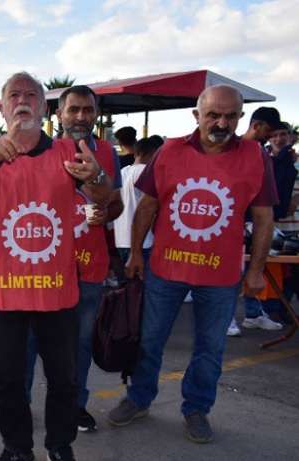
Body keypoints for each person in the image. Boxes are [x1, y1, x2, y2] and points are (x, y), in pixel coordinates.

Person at [108, 85, 277, 444]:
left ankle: (197, 408)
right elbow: (148, 207)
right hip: (165, 270)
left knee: (210, 347)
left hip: (221, 276)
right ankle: (138, 398)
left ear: (240, 118)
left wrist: (257, 269)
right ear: (197, 115)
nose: (222, 122)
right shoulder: (170, 150)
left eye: (231, 116)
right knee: (150, 340)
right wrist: (137, 253)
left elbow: (264, 219)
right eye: (213, 114)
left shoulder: (255, 156)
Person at [0, 72, 110, 461]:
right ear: (3, 105)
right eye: (14, 95)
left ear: (43, 108)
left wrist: (96, 179)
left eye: (30, 95)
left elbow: (104, 199)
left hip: (57, 290)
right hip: (3, 293)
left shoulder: (68, 150)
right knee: (7, 380)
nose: (22, 100)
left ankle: (59, 445)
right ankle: (17, 448)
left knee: (64, 379)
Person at [24, 85, 124, 434]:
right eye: (74, 109)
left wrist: (105, 213)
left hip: (88, 267)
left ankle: (74, 406)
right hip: (42, 266)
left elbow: (118, 204)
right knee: (28, 342)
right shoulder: (38, 151)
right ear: (59, 114)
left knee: (78, 344)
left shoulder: (108, 153)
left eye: (88, 110)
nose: (81, 117)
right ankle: (20, 408)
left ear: (96, 114)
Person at [227, 107, 285, 336]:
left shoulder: (260, 153)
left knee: (248, 269)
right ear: (256, 125)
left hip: (254, 223)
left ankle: (252, 313)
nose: (271, 136)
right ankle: (227, 318)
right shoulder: (234, 149)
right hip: (233, 224)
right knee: (233, 273)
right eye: (269, 131)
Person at [114, 137, 160, 264]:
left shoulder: (122, 172)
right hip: (143, 242)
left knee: (129, 281)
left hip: (121, 239)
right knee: (142, 281)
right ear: (151, 154)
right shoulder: (147, 172)